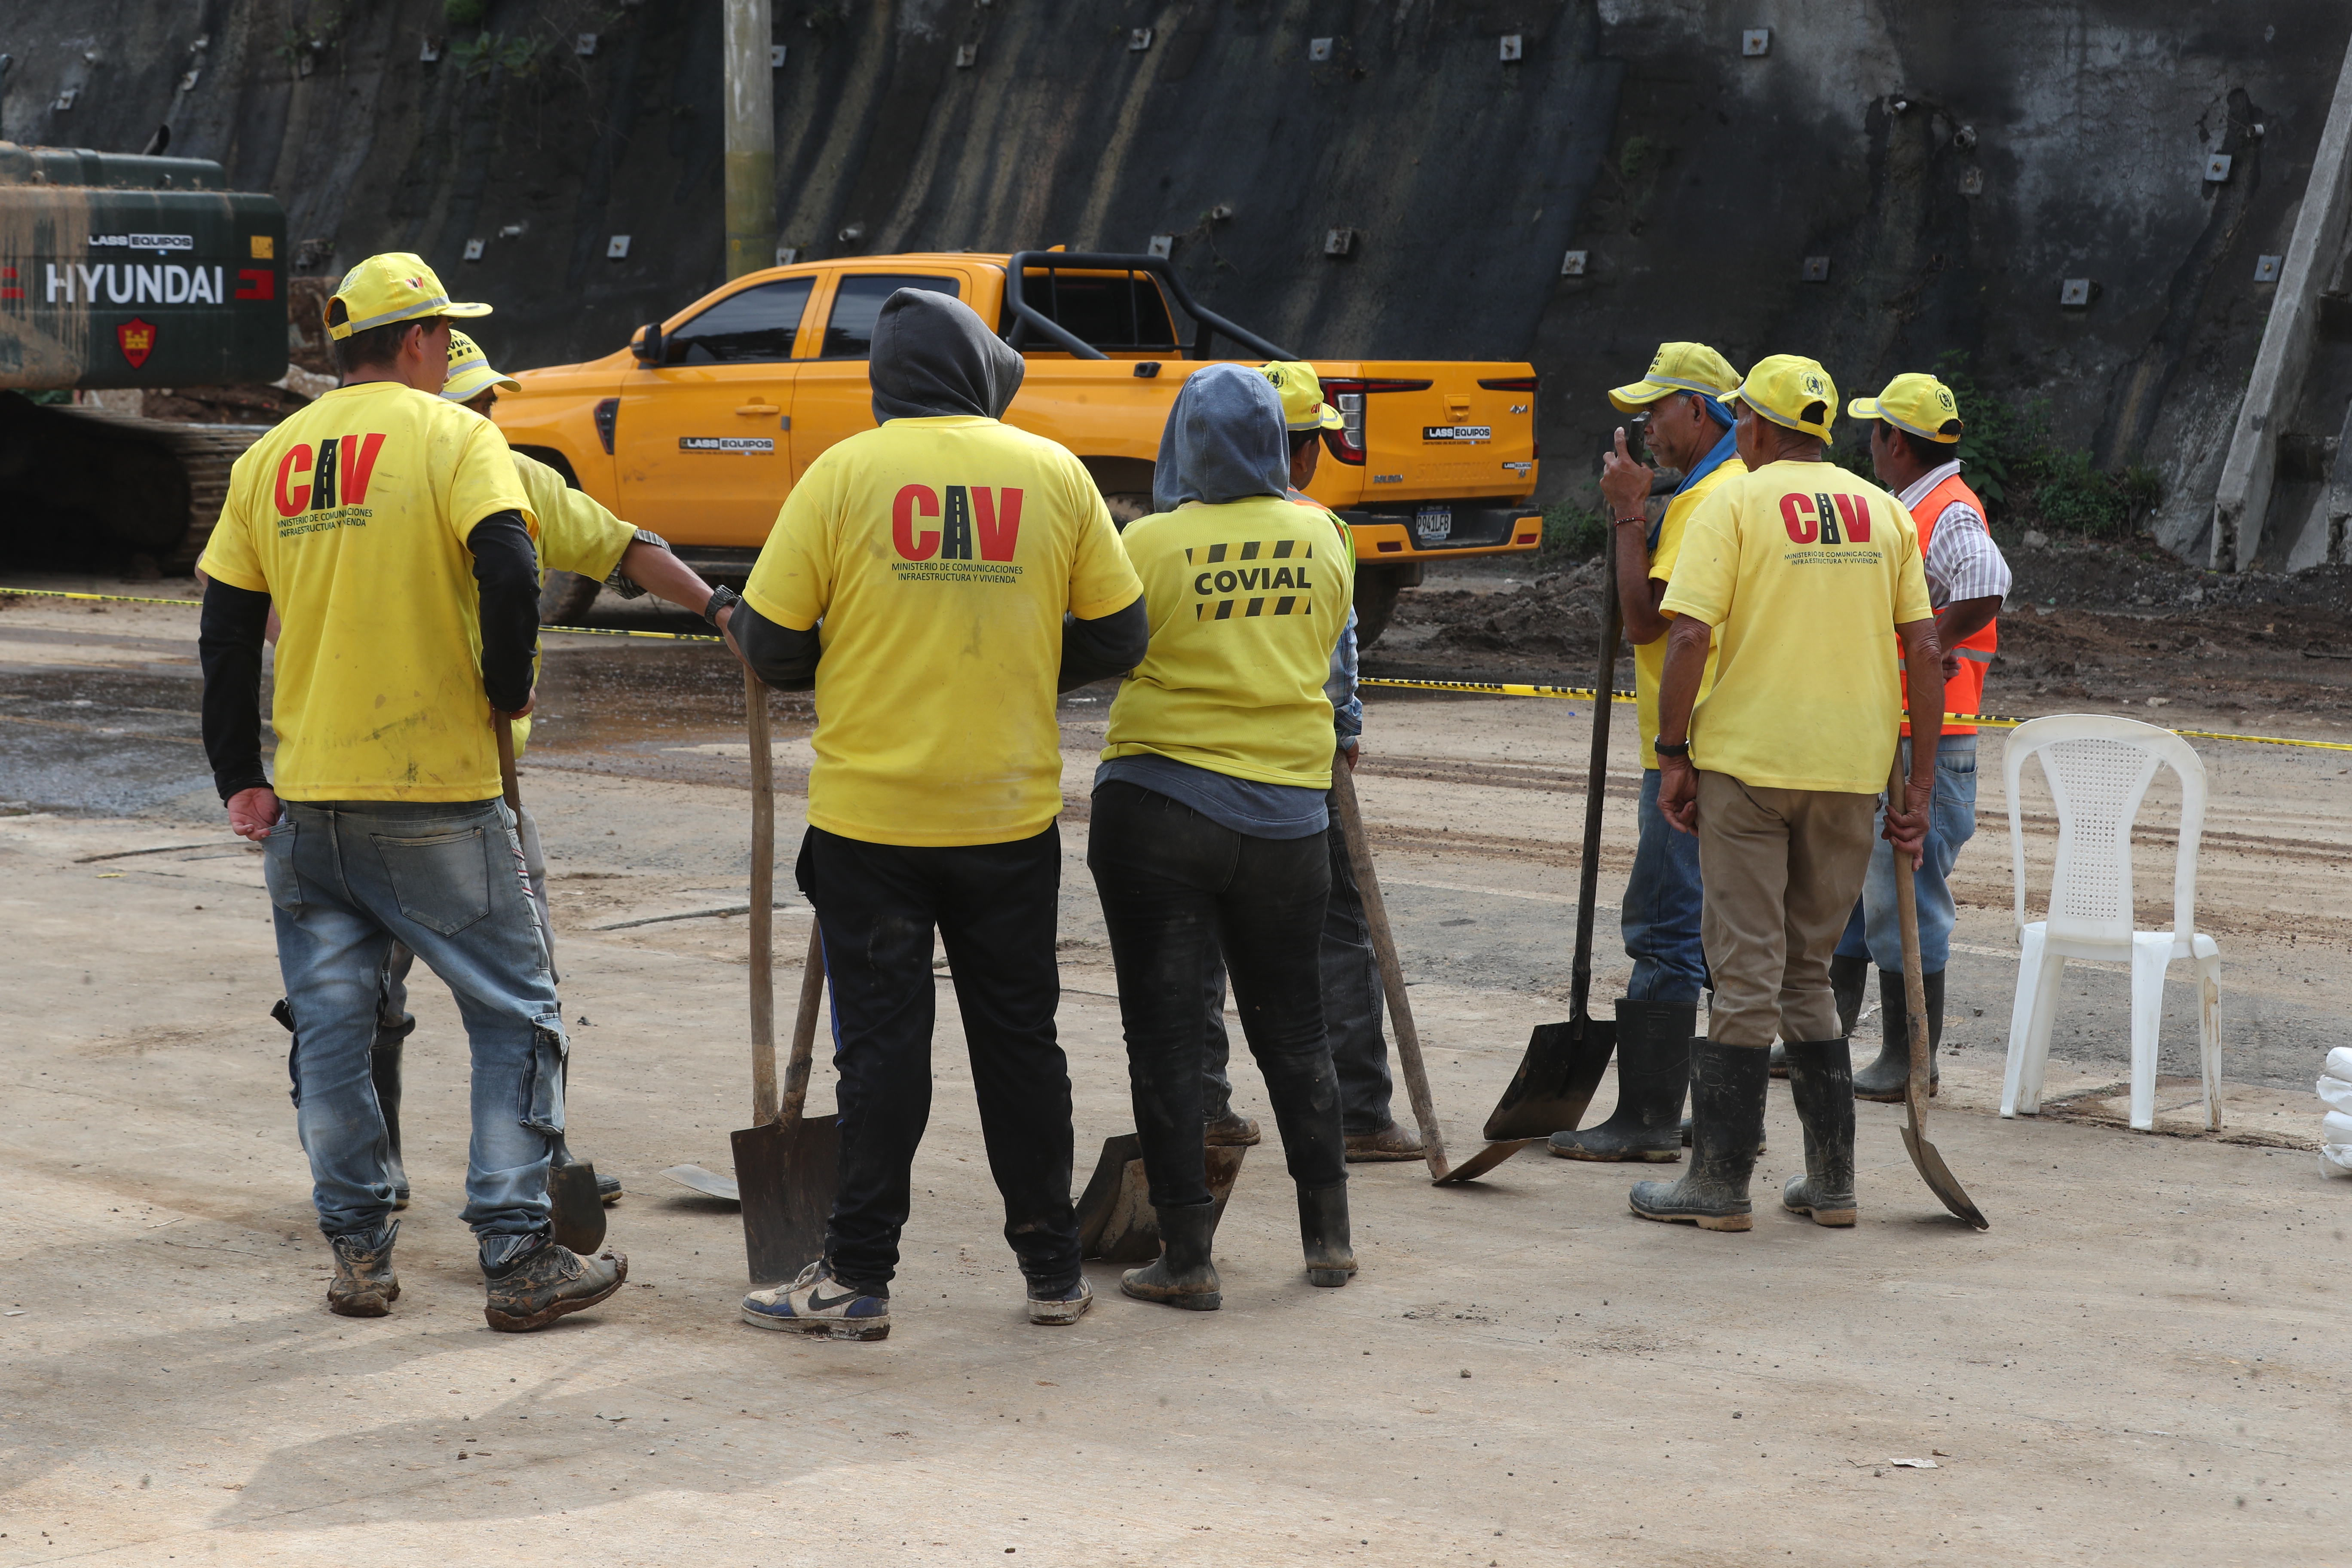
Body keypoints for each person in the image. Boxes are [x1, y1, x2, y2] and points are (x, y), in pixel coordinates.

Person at [196, 254, 626, 1329]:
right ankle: (519, 1254)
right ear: (426, 340)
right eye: (444, 336)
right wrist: (508, 682)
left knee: (334, 1032)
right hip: (437, 793)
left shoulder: (273, 458)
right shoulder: (457, 437)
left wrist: (241, 778)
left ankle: (359, 1253)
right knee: (517, 1013)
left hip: (310, 807)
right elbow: (513, 564)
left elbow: (225, 629)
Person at [723, 288, 1147, 1341]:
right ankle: (1054, 1271)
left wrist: (853, 666)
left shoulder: (841, 475)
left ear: (885, 382)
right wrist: (1027, 674)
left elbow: (772, 647)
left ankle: (858, 1278)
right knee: (1020, 1045)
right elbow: (1123, 631)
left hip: (873, 825)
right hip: (1008, 818)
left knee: (883, 1056)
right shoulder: (1052, 471)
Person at [361, 331, 730, 1211]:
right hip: (414, 783)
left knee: (503, 990)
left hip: (441, 784)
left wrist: (716, 604)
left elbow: (619, 545)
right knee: (408, 991)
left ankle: (518, 1160)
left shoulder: (509, 478)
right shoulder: (398, 482)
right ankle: (404, 1171)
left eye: (493, 407)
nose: (492, 420)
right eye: (477, 407)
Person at [1636, 354, 1942, 1233]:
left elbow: (1688, 635)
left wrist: (1672, 754)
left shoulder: (1734, 501)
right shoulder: (1886, 513)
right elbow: (1925, 651)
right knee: (1807, 970)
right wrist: (1916, 783)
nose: (1739, 433)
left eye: (1742, 422)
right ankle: (1832, 1185)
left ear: (1760, 429)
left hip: (1751, 763)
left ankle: (1720, 1183)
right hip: (1850, 771)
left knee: (1742, 970)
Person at [1087, 362, 1358, 1311]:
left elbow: (1107, 643)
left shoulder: (1149, 542)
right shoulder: (1326, 534)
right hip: (1290, 815)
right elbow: (1326, 649)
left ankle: (1187, 1257)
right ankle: (1328, 1239)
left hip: (1160, 808)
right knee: (1296, 1029)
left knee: (1164, 1038)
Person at [1192, 361, 1422, 1164]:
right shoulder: (1319, 529)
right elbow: (1339, 649)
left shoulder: (1174, 525)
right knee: (1335, 932)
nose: (1319, 459)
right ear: (1290, 450)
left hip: (1192, 769)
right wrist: (1346, 727)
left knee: (1198, 942)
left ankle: (1206, 1107)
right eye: (1314, 443)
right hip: (1299, 765)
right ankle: (1360, 1111)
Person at [1549, 342, 1744, 1164]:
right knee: (1729, 936)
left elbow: (1647, 619)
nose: (1645, 429)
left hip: (1689, 747)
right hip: (1735, 744)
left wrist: (1629, 511)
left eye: (1656, 413)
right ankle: (1725, 1114)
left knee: (1666, 928)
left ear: (1698, 411)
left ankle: (1649, 1119)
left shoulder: (1704, 502)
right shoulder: (1739, 487)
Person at [1814, 373, 2011, 1102]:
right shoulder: (1915, 506)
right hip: (1899, 730)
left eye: (1874, 432)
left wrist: (1928, 645)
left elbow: (1988, 580)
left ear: (1895, 442)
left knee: (1908, 898)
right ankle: (1822, 1039)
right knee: (1864, 894)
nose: (1869, 444)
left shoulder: (1945, 510)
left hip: (1928, 736)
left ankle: (1908, 1057)